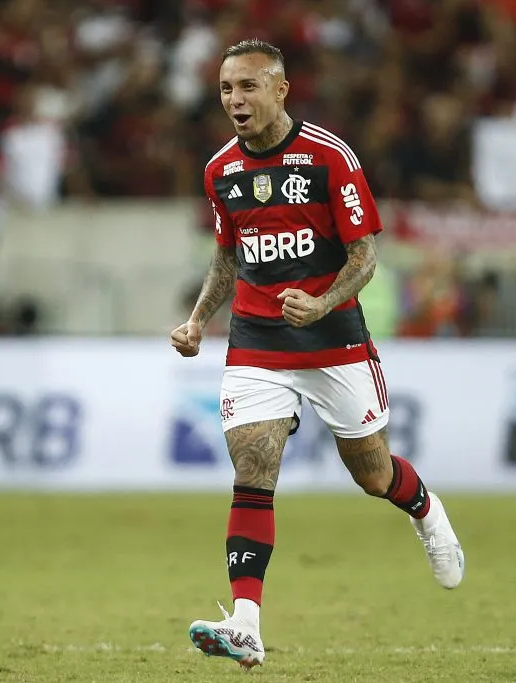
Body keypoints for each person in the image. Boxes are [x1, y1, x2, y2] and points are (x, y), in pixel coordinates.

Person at [170, 39, 465, 670]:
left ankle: (426, 510)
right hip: (256, 340)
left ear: (280, 89)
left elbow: (365, 258)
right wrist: (199, 320)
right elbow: (227, 255)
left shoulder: (330, 158)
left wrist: (324, 301)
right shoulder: (221, 171)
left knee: (371, 474)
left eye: (248, 87)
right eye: (226, 89)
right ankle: (246, 624)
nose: (234, 100)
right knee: (252, 465)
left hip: (334, 341)